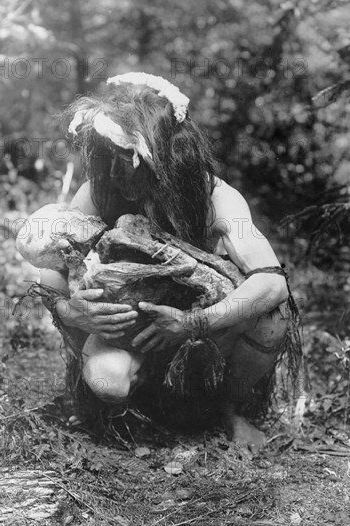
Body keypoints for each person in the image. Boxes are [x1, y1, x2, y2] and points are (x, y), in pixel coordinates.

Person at [40, 73, 295, 453]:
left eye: (126, 160)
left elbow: (273, 283)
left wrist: (192, 322)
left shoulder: (216, 197)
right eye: (107, 159)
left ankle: (227, 410)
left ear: (166, 158)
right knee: (109, 382)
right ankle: (126, 408)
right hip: (127, 329)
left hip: (202, 325)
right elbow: (51, 271)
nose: (112, 174)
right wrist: (72, 312)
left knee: (272, 320)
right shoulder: (97, 194)